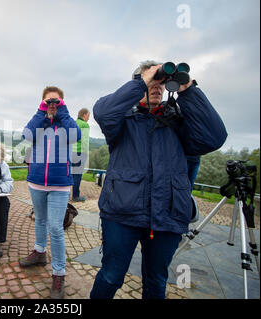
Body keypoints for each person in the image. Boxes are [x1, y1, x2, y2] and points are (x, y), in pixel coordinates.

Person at [90, 61, 227, 299]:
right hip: (122, 213)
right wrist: (142, 81)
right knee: (112, 275)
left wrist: (188, 89)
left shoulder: (176, 121)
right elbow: (102, 111)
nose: (157, 87)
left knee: (156, 281)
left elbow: (214, 137)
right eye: (152, 80)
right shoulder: (122, 120)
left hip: (167, 214)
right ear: (139, 81)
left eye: (161, 82)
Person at [20, 86, 81, 299]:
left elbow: (76, 135)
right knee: (40, 220)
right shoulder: (40, 123)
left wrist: (62, 112)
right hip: (36, 182)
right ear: (42, 103)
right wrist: (42, 113)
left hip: (59, 184)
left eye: (56, 102)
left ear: (62, 103)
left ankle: (58, 272)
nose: (52, 105)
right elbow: (26, 135)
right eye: (48, 101)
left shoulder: (66, 125)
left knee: (55, 227)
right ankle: (39, 252)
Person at [71, 108, 90, 202]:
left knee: (70, 174)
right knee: (77, 175)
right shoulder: (85, 125)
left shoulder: (73, 123)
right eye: (88, 116)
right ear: (84, 115)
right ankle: (75, 196)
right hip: (79, 152)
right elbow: (85, 141)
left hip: (70, 152)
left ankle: (65, 194)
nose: (88, 118)